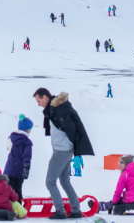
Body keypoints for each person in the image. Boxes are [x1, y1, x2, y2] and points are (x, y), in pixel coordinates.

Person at [33, 88, 94, 220]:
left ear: (45, 97)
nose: (38, 104)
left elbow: (70, 127)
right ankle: (76, 210)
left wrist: (68, 143)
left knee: (50, 182)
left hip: (62, 150)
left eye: (38, 100)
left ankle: (60, 211)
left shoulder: (57, 109)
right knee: (64, 180)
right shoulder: (55, 108)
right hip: (65, 149)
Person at [4, 115, 33, 199]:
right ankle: (18, 209)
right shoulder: (27, 142)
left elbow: (9, 150)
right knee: (17, 191)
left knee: (8, 191)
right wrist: (26, 170)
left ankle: (7, 208)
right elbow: (27, 157)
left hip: (8, 170)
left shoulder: (11, 138)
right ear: (27, 129)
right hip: (18, 172)